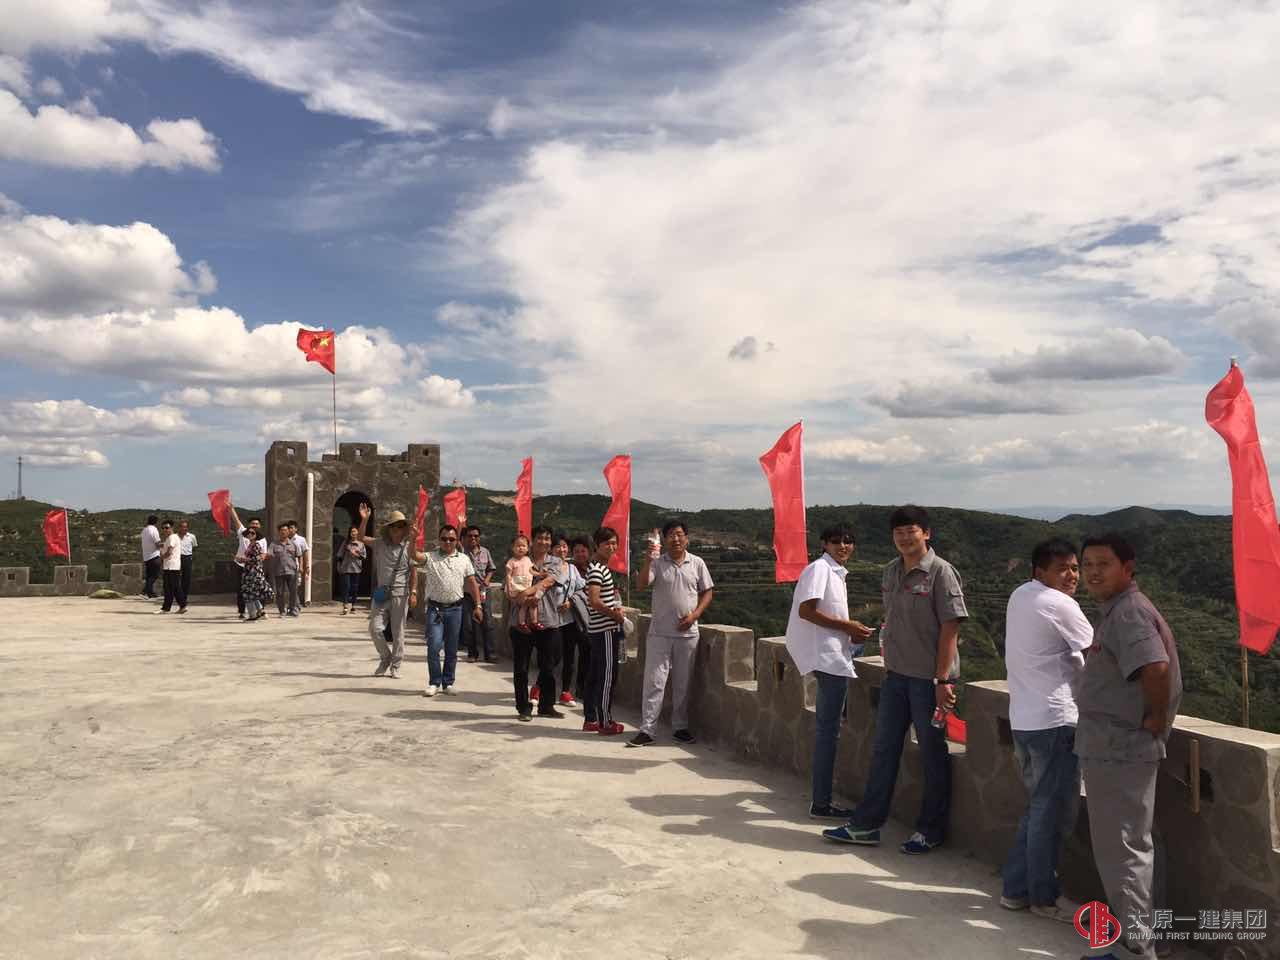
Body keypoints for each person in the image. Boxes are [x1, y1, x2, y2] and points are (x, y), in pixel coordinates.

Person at [823, 504, 967, 855]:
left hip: (928, 681)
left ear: (926, 533)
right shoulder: (890, 571)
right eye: (898, 532)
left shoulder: (941, 572)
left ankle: (930, 830)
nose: (904, 538)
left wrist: (942, 681)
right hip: (896, 676)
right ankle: (866, 825)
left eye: (911, 531)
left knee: (932, 753)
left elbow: (950, 630)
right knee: (884, 749)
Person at [1075, 533, 1182, 960]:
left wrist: (1156, 718)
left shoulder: (1129, 612)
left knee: (1121, 851)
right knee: (1133, 847)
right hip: (1114, 746)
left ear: (1128, 568)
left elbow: (1155, 667)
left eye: (1103, 564)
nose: (1093, 572)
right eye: (1087, 564)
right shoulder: (1118, 610)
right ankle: (1144, 941)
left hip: (1120, 747)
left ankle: (1135, 950)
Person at [1000, 538, 1093, 922]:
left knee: (1039, 807)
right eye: (1062, 569)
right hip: (1055, 721)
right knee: (1052, 813)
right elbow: (1097, 654)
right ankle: (1043, 897)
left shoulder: (1020, 595)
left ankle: (1016, 889)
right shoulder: (1059, 603)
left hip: (1025, 720)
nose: (1072, 576)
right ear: (1040, 572)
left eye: (1075, 568)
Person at [784, 524, 874, 819]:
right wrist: (848, 627)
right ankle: (821, 803)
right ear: (824, 544)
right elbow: (806, 611)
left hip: (832, 654)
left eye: (848, 541)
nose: (843, 546)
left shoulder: (835, 572)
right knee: (828, 733)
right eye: (836, 541)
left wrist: (851, 634)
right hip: (827, 659)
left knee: (827, 730)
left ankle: (820, 800)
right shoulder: (819, 569)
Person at [629, 519, 714, 748]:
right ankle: (647, 729)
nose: (675, 539)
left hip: (688, 634)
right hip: (659, 633)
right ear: (665, 540)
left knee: (682, 684)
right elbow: (640, 585)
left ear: (687, 538)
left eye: (679, 534)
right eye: (671, 535)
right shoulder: (657, 563)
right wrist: (648, 560)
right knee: (654, 682)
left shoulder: (697, 563)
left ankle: (680, 727)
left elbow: (707, 592)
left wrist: (695, 615)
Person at [411, 524, 483, 696]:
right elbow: (414, 556)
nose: (448, 542)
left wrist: (478, 605)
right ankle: (434, 682)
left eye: (451, 539)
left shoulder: (464, 559)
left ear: (457, 540)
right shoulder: (431, 557)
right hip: (435, 609)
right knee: (434, 646)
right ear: (439, 540)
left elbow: (472, 583)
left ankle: (448, 683)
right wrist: (413, 538)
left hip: (455, 609)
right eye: (444, 539)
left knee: (452, 648)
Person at [509, 525, 570, 721]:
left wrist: (527, 592)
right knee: (521, 668)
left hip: (548, 620)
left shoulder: (556, 562)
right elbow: (509, 587)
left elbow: (549, 581)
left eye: (547, 538)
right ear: (532, 540)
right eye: (540, 538)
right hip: (521, 622)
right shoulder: (519, 560)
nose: (544, 542)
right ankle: (523, 707)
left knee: (549, 666)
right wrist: (520, 599)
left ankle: (546, 705)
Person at [357, 502, 415, 679]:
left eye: (400, 526)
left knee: (398, 632)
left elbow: (414, 571)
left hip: (400, 594)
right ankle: (386, 658)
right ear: (389, 529)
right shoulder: (380, 544)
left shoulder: (409, 547)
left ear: (404, 529)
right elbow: (361, 538)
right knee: (374, 628)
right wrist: (364, 520)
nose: (396, 529)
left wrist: (414, 592)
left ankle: (395, 665)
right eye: (393, 526)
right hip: (382, 594)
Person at [583, 526, 626, 736]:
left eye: (614, 543)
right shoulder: (597, 570)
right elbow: (594, 600)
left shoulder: (597, 568)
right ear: (597, 545)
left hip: (598, 629)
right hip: (606, 629)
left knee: (595, 675)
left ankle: (591, 719)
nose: (612, 547)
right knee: (607, 676)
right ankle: (605, 722)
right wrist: (615, 615)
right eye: (607, 543)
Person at [556, 534, 589, 706]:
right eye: (576, 551)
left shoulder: (592, 569)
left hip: (581, 619)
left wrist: (572, 600)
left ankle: (578, 688)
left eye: (583, 551)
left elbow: (586, 589)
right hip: (564, 619)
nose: (580, 554)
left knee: (584, 653)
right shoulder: (568, 568)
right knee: (559, 655)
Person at [462, 525, 498, 662]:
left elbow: (491, 569)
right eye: (470, 536)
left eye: (476, 536)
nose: (473, 538)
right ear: (465, 538)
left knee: (487, 622)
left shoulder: (485, 552)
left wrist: (487, 581)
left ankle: (490, 653)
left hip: (483, 591)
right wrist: (459, 527)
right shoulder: (462, 552)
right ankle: (472, 653)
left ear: (479, 537)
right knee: (469, 624)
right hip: (467, 593)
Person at [228, 504, 264, 621]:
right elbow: (236, 520)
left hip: (253, 569)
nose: (254, 526)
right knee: (242, 590)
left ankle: (257, 612)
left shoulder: (261, 541)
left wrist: (245, 560)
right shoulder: (244, 534)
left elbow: (261, 556)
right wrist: (231, 509)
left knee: (252, 590)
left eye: (256, 524)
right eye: (252, 524)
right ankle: (244, 611)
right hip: (242, 567)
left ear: (259, 526)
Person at [505, 535, 542, 631]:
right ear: (513, 548)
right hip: (517, 587)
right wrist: (508, 589)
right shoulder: (511, 561)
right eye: (518, 546)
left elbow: (531, 571)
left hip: (527, 587)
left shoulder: (528, 560)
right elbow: (508, 576)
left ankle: (532, 622)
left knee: (531, 603)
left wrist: (540, 574)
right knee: (525, 604)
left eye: (523, 546)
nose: (521, 548)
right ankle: (524, 622)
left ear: (527, 548)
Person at [237, 528, 272, 621]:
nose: (250, 534)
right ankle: (261, 612)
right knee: (253, 593)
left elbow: (258, 558)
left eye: (253, 533)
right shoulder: (250, 545)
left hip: (253, 572)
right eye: (248, 533)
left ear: (256, 535)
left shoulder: (256, 545)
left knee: (248, 593)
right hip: (249, 571)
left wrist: (243, 559)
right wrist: (242, 560)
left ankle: (252, 615)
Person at [269, 523, 301, 618]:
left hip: (292, 571)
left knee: (293, 592)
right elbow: (269, 554)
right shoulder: (273, 544)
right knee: (280, 593)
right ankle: (282, 611)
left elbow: (299, 556)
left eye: (286, 530)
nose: (284, 532)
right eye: (282, 530)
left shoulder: (294, 544)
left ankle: (292, 610)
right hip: (279, 571)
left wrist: (301, 567)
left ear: (288, 531)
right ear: (279, 532)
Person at [157, 519, 187, 614]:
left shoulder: (172, 537)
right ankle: (172, 607)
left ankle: (179, 606)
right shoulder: (171, 538)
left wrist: (161, 557)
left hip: (171, 566)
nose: (165, 530)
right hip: (170, 566)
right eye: (163, 528)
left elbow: (169, 552)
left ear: (172, 528)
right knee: (171, 588)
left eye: (167, 527)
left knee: (172, 588)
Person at [337, 525, 366, 614]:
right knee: (346, 587)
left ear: (357, 532)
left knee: (354, 588)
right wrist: (338, 566)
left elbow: (363, 557)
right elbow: (339, 556)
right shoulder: (345, 543)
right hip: (346, 568)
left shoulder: (361, 544)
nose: (353, 533)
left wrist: (355, 553)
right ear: (349, 533)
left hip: (356, 569)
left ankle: (353, 606)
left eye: (355, 531)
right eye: (352, 531)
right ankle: (345, 606)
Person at [287, 520, 310, 614]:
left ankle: (294, 606)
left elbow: (305, 553)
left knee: (294, 588)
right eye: (289, 528)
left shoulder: (301, 539)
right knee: (290, 588)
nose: (290, 530)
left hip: (297, 567)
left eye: (292, 528)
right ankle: (295, 605)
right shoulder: (285, 539)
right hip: (286, 567)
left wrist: (306, 565)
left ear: (296, 529)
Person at [140, 514, 162, 599]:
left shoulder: (144, 530)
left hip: (146, 556)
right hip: (154, 555)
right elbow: (157, 543)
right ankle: (144, 592)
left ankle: (150, 593)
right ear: (156, 522)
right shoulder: (154, 530)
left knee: (149, 576)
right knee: (154, 576)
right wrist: (167, 544)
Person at [177, 520, 197, 603]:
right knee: (176, 578)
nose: (184, 528)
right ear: (179, 527)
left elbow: (194, 547)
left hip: (187, 558)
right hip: (177, 558)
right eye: (182, 526)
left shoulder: (192, 536)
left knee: (186, 579)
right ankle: (178, 596)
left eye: (185, 527)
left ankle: (184, 597)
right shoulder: (175, 537)